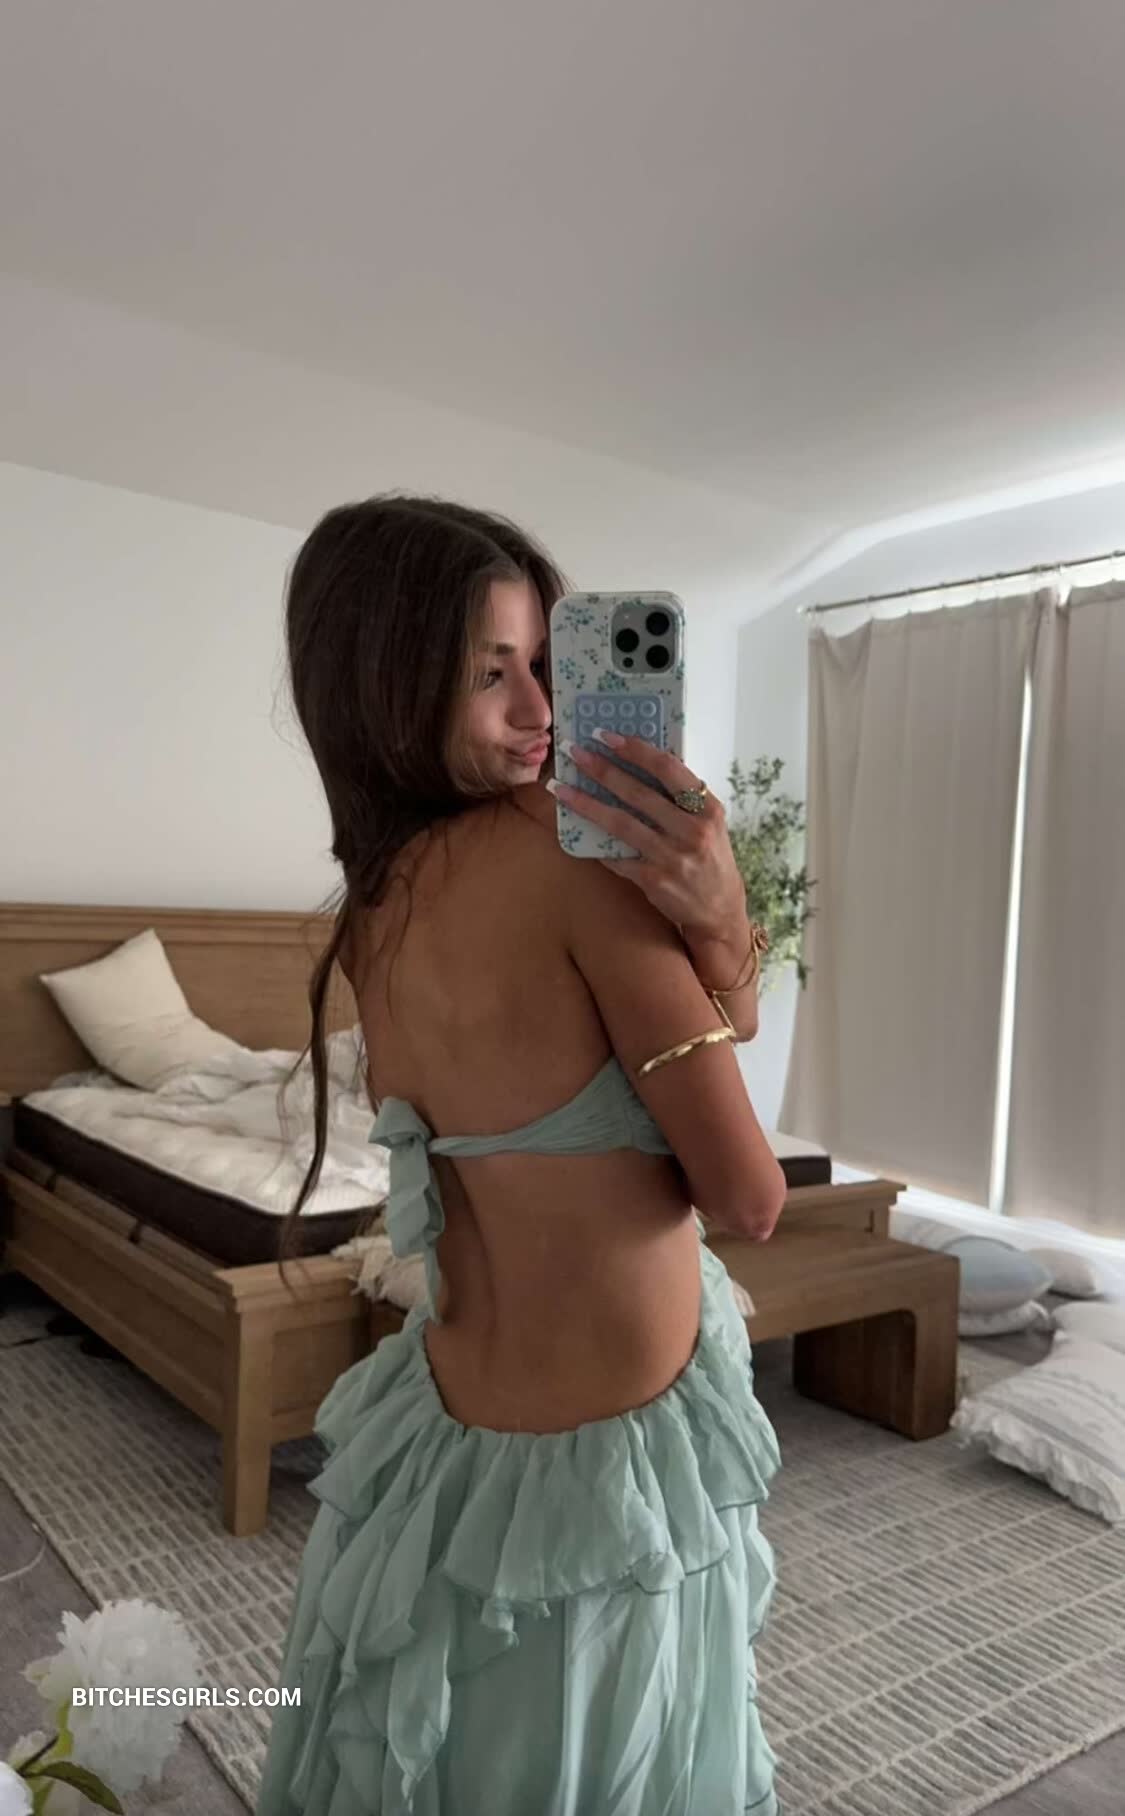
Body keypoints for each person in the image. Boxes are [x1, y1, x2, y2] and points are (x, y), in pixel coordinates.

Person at [256, 495, 786, 1816]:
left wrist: (713, 933)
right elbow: (746, 1196)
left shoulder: (374, 909)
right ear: (384, 683)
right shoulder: (568, 858)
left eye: (546, 662)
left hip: (452, 1449)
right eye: (488, 672)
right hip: (600, 1482)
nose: (539, 707)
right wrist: (726, 915)